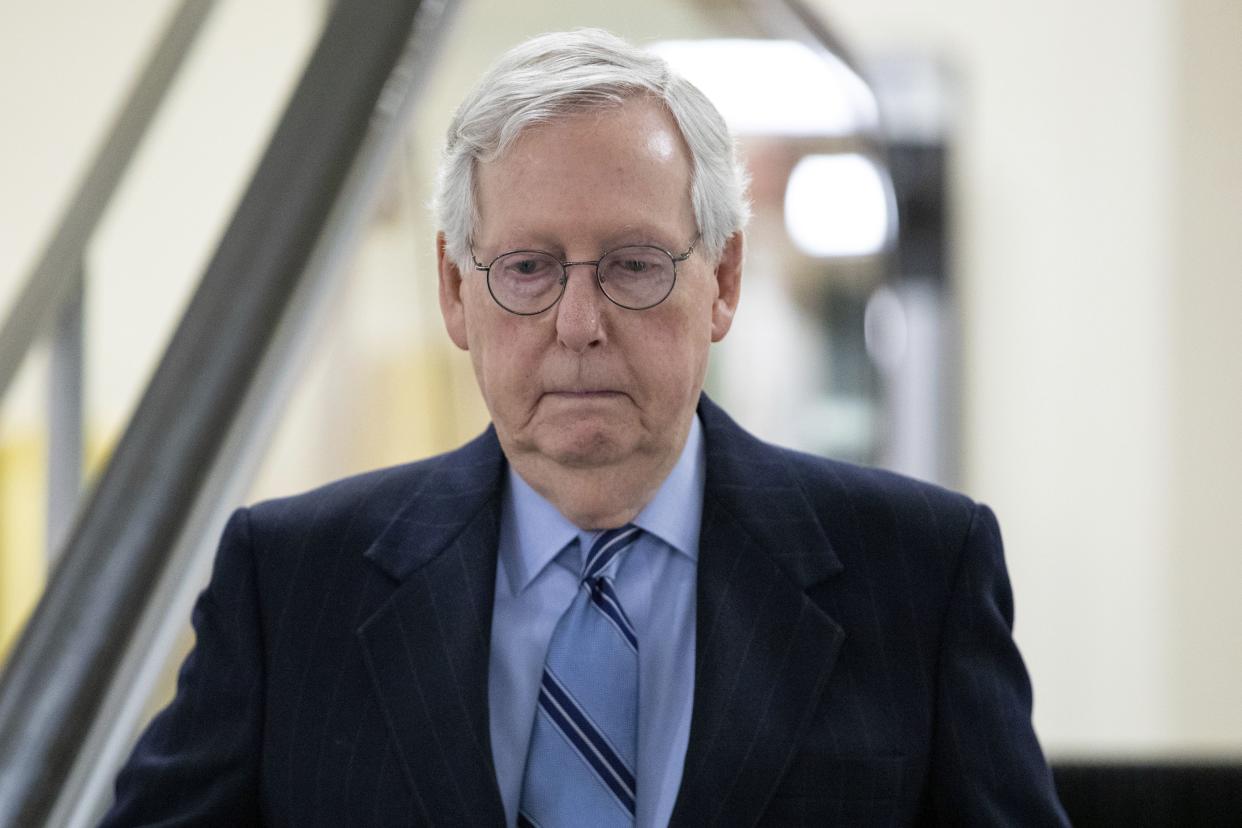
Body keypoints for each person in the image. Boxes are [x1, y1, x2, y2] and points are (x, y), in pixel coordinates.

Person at [103, 28, 1068, 827]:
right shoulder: (291, 582)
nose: (578, 325)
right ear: (454, 290)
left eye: (636, 264)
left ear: (722, 281)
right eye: (526, 268)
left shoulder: (920, 571)